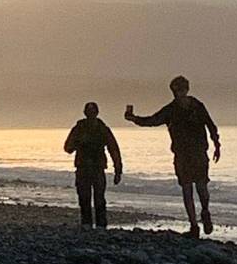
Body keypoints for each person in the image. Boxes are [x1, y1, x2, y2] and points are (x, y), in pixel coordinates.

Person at [125, 75, 220, 238]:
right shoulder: (183, 107)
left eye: (181, 89)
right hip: (189, 154)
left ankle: (200, 218)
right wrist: (134, 119)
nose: (180, 93)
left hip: (192, 154)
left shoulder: (187, 107)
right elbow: (152, 120)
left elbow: (210, 125)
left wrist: (217, 145)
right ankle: (198, 220)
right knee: (194, 188)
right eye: (179, 90)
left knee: (195, 188)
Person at [64, 102, 123, 229]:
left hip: (97, 168)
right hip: (83, 168)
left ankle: (100, 225)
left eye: (92, 111)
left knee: (99, 199)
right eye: (89, 111)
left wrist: (118, 170)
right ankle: (87, 224)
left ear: (97, 112)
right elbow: (68, 148)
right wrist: (79, 141)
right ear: (85, 113)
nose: (90, 114)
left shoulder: (102, 129)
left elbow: (114, 149)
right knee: (84, 198)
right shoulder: (79, 129)